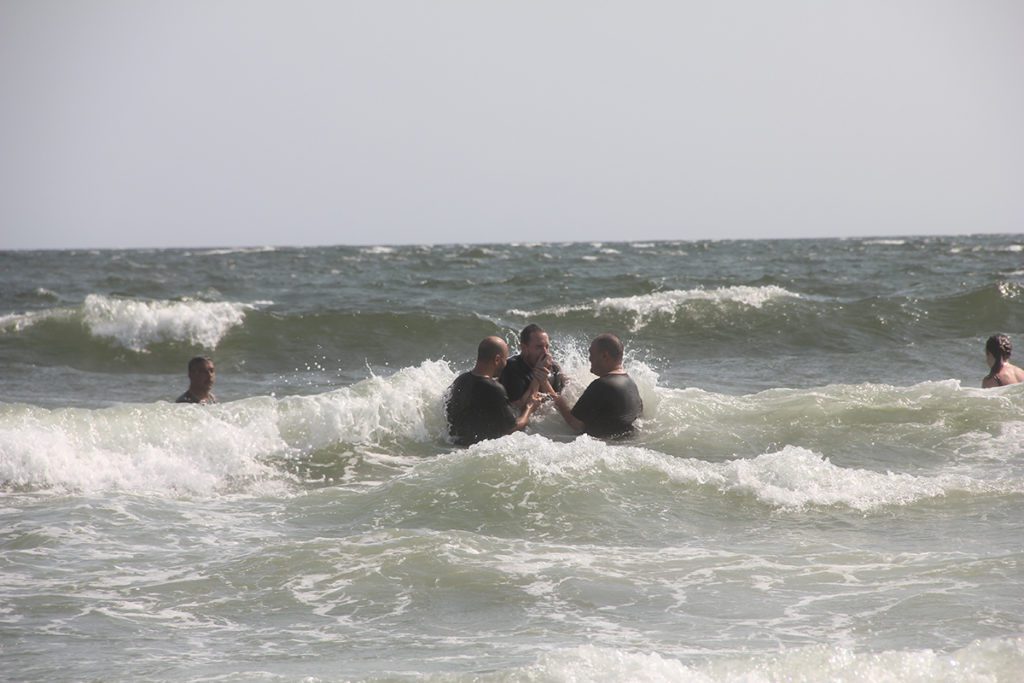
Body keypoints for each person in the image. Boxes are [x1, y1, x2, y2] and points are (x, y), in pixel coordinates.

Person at [445, 336, 541, 445]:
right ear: (497, 359)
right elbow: (511, 428)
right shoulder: (494, 389)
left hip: (456, 445)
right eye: (505, 360)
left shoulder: (460, 380)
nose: (506, 364)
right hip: (478, 449)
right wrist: (529, 409)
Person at [544, 333, 642, 438]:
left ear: (605, 356)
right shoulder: (631, 384)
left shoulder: (602, 385)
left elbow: (576, 425)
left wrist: (556, 398)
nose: (589, 359)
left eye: (591, 354)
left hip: (604, 446)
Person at [499, 324, 566, 408]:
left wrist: (544, 382)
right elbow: (517, 408)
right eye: (539, 347)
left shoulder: (554, 368)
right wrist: (538, 378)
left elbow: (560, 407)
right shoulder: (511, 368)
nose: (545, 352)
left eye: (547, 347)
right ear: (524, 348)